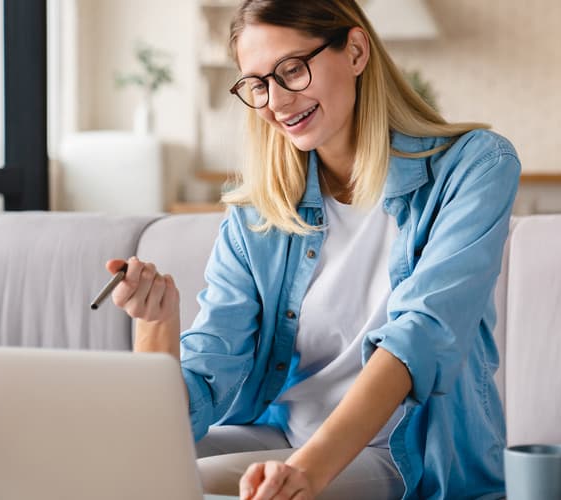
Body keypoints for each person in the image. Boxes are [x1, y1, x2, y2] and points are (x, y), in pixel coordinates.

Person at [106, 1, 520, 498]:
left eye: (292, 70)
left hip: (403, 453)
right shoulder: (259, 211)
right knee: (118, 464)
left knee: (192, 484)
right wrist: (157, 324)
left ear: (356, 51)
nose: (277, 102)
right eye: (258, 84)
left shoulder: (474, 167)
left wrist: (307, 471)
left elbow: (421, 335)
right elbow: (210, 374)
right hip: (284, 436)